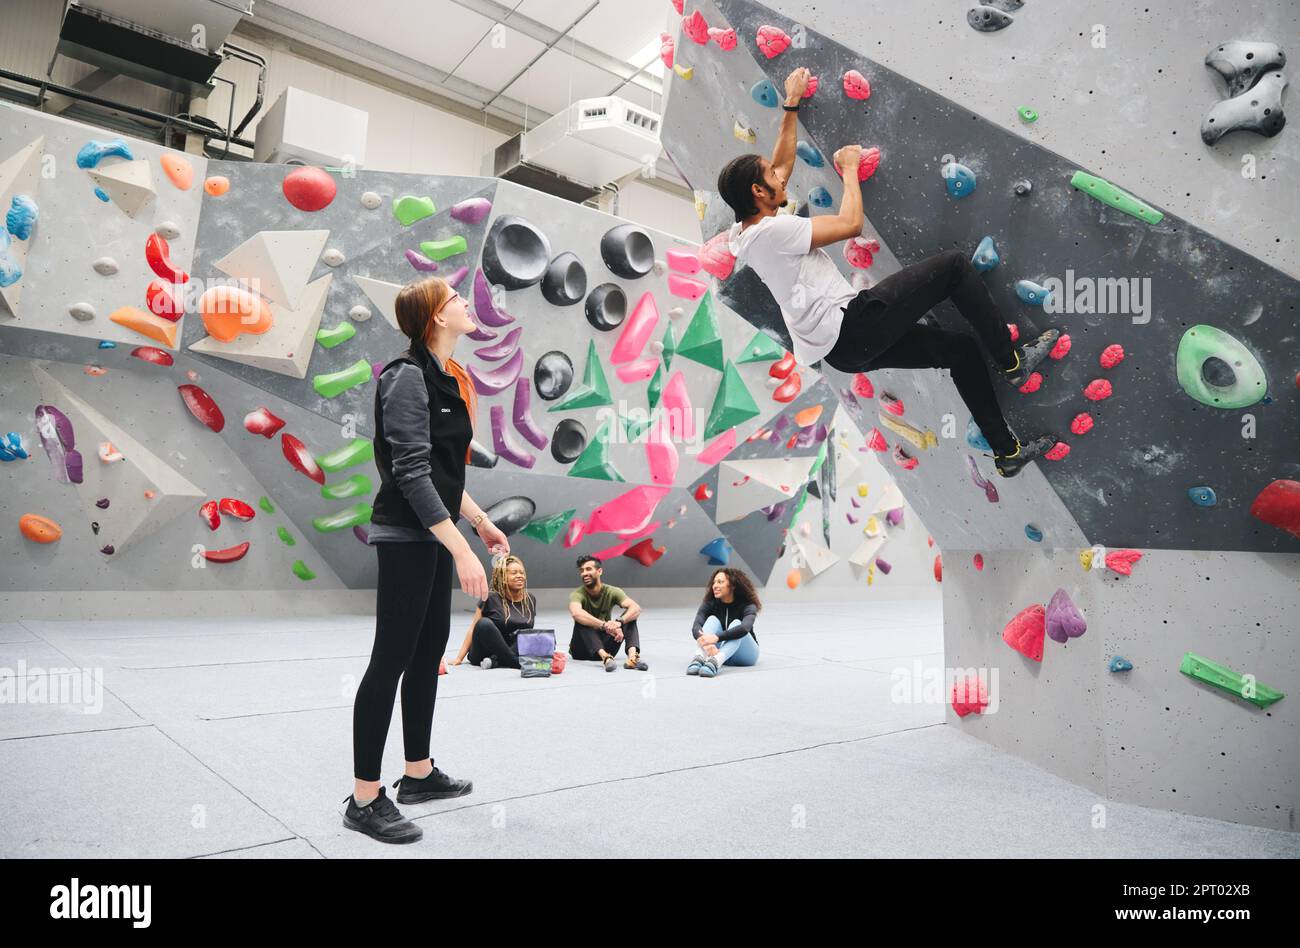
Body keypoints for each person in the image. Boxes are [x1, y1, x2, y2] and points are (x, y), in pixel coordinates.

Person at [717, 67, 1059, 478]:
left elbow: (782, 165)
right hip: (852, 326)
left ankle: (1006, 453)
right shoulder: (774, 233)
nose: (779, 175)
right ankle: (1011, 361)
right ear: (757, 192)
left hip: (844, 353)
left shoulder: (746, 232)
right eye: (769, 177)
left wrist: (790, 104)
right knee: (953, 267)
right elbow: (849, 225)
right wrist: (848, 168)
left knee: (960, 350)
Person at [345, 275, 510, 845]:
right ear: (437, 317)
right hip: (406, 535)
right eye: (456, 299)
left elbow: (444, 472)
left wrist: (481, 523)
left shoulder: (447, 377)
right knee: (388, 660)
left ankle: (417, 774)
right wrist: (460, 548)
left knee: (427, 654)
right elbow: (411, 474)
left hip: (436, 535)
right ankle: (364, 797)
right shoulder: (406, 378)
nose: (467, 303)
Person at [449, 554, 537, 670]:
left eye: (521, 573)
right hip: (483, 652)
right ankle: (516, 663)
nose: (519, 576)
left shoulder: (530, 599)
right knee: (484, 624)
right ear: (503, 577)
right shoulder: (490, 598)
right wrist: (459, 658)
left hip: (510, 648)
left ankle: (495, 661)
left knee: (534, 634)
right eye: (514, 573)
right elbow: (473, 629)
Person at [568, 555, 648, 672]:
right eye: (582, 570)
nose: (584, 573)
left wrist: (619, 623)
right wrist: (605, 625)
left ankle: (632, 658)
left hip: (607, 646)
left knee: (630, 618)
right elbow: (576, 613)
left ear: (599, 571)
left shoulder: (612, 591)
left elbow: (636, 608)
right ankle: (605, 658)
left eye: (588, 569)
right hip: (581, 650)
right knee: (581, 620)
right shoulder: (577, 594)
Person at [688, 568, 761, 678]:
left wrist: (716, 638)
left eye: (720, 582)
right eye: (714, 582)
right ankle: (699, 656)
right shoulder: (710, 604)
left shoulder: (748, 605)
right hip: (723, 652)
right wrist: (705, 644)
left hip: (747, 655)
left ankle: (715, 662)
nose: (715, 586)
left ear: (733, 586)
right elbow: (696, 626)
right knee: (712, 619)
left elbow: (745, 628)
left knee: (737, 623)